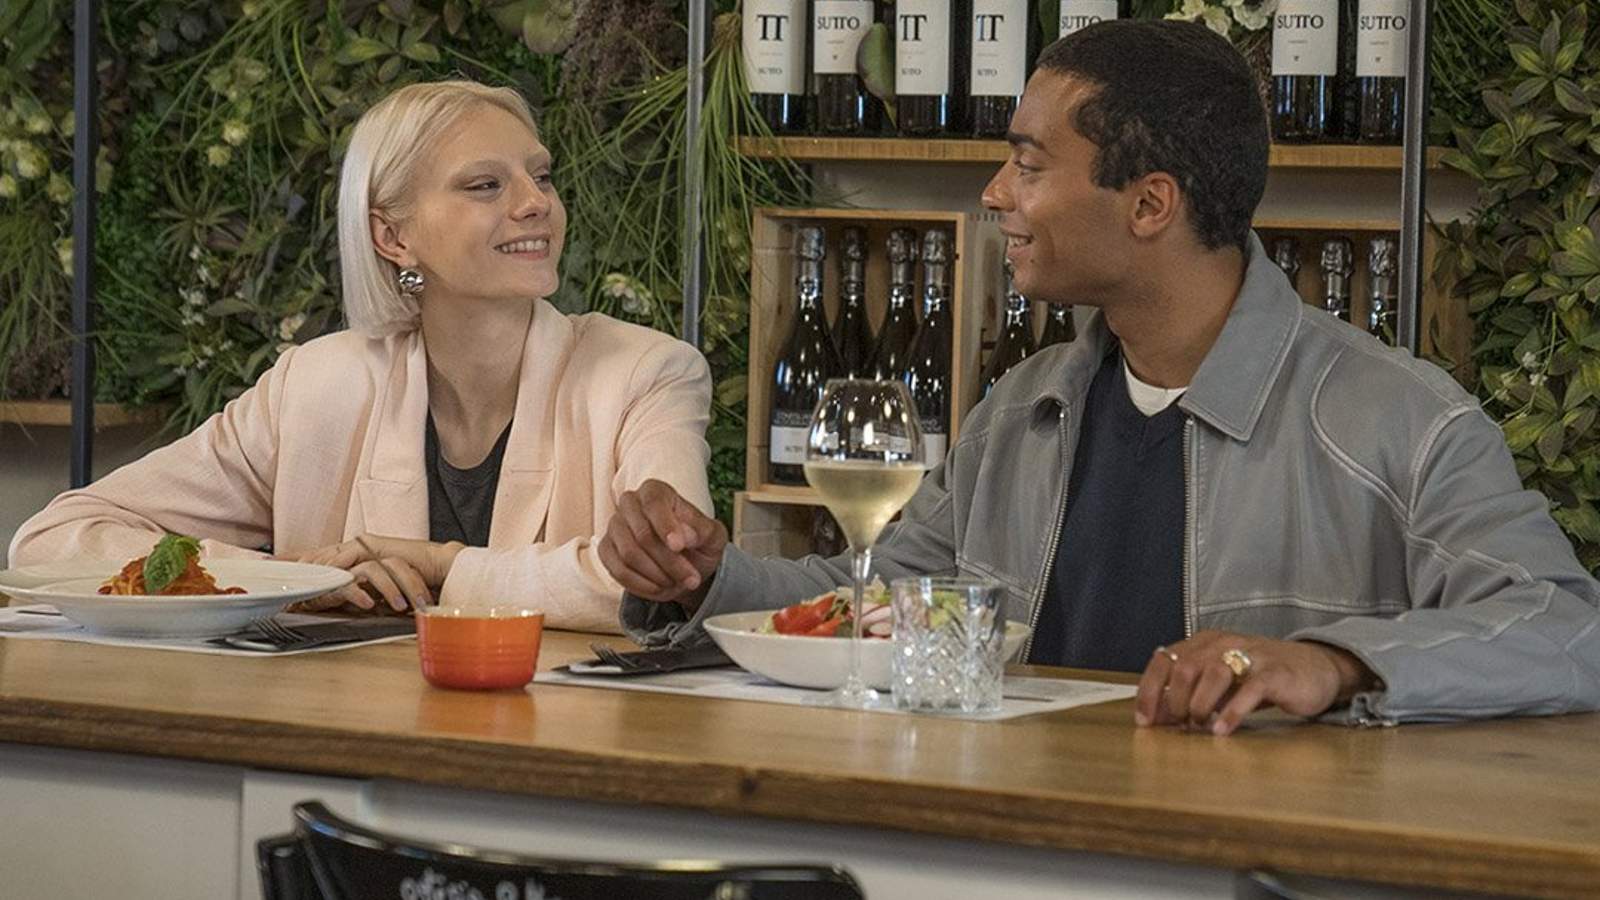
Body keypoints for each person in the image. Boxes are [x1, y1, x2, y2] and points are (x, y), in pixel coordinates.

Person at [597, 20, 1600, 730]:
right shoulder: (1023, 406)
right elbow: (884, 599)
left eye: (1028, 164)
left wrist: (1332, 665)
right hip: (1023, 852)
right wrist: (705, 576)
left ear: (1150, 204)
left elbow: (1565, 630)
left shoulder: (1400, 421)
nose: (995, 195)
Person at [9, 80, 713, 632]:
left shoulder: (647, 374)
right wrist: (296, 578)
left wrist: (445, 569)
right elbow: (54, 539)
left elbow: (664, 575)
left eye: (542, 177)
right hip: (344, 737)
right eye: (485, 184)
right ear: (392, 237)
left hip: (561, 755)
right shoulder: (316, 386)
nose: (537, 204)